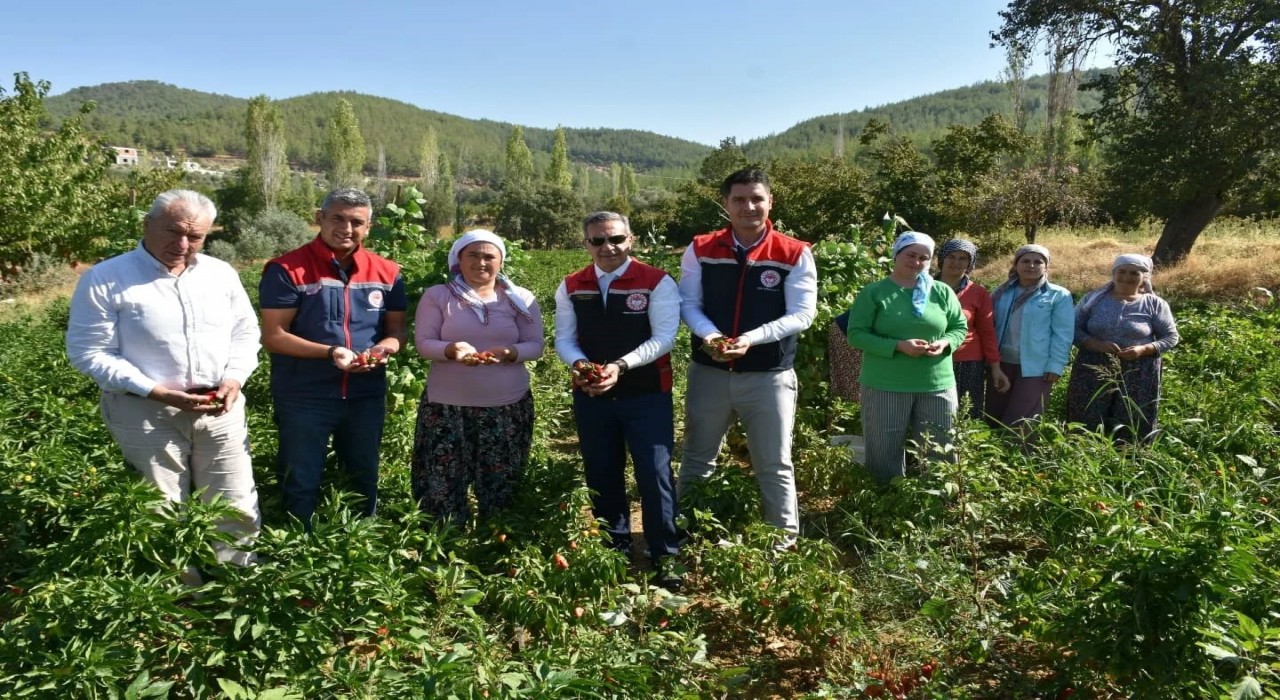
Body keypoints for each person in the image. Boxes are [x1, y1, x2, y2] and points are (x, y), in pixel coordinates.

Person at [66, 189, 261, 578]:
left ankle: (237, 586)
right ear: (146, 225)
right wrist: (155, 391)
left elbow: (245, 333)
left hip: (219, 409)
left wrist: (234, 378)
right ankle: (179, 599)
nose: (183, 244)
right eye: (173, 231)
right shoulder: (107, 279)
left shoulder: (220, 274)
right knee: (162, 506)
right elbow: (89, 352)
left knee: (236, 500)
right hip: (146, 411)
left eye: (196, 237)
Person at [677, 168, 817, 545]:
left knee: (774, 463)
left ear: (770, 201)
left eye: (757, 198)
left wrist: (750, 339)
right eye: (739, 199)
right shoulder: (701, 248)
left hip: (768, 375)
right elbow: (688, 303)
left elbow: (803, 313)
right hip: (710, 371)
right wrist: (712, 336)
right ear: (726, 204)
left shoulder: (793, 252)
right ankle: (686, 532)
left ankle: (782, 544)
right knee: (696, 456)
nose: (749, 206)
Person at [259, 188, 408, 525]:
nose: (347, 228)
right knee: (301, 477)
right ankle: (299, 551)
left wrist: (383, 349)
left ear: (369, 227)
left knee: (363, 474)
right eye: (337, 218)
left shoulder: (387, 273)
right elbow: (274, 336)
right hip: (305, 394)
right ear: (320, 219)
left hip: (365, 394)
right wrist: (330, 352)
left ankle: (359, 549)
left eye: (357, 222)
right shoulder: (288, 269)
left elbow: (397, 331)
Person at [554, 211, 682, 588]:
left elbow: (664, 338)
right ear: (586, 244)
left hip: (646, 394)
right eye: (598, 241)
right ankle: (616, 549)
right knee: (602, 470)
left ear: (632, 240)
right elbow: (564, 337)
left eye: (616, 239)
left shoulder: (656, 282)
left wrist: (619, 366)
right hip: (593, 394)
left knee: (654, 473)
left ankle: (666, 556)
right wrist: (580, 364)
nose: (607, 247)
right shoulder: (572, 285)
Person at [412, 230, 544, 523]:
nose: (481, 262)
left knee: (501, 480)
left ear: (500, 261)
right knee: (443, 480)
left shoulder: (520, 299)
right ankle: (446, 545)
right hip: (446, 408)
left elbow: (535, 346)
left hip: (507, 407)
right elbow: (424, 343)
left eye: (489, 256)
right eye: (473, 254)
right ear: (459, 258)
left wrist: (509, 352)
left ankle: (496, 542)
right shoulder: (438, 296)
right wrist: (452, 350)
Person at [846, 232, 969, 483]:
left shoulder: (942, 292)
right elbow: (856, 335)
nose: (917, 262)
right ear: (896, 254)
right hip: (885, 383)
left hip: (936, 383)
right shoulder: (875, 293)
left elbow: (959, 327)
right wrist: (898, 346)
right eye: (911, 255)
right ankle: (885, 502)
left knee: (941, 445)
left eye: (924, 257)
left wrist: (946, 342)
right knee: (884, 448)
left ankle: (937, 503)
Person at [1067, 254, 1180, 442]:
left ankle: (1130, 457)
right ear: (1114, 273)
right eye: (1122, 271)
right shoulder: (1093, 299)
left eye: (1134, 273)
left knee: (1132, 414)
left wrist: (1143, 350)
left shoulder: (1154, 304)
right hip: (1092, 365)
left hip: (1139, 369)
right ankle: (1083, 452)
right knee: (1087, 410)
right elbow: (1072, 328)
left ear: (1145, 277)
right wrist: (1094, 344)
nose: (1126, 277)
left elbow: (1171, 337)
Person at [986, 244, 1074, 430]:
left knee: (1022, 420)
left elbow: (1063, 334)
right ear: (1016, 264)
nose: (1031, 266)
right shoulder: (1002, 292)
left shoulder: (1057, 295)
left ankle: (1019, 456)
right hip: (1001, 364)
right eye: (1025, 261)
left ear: (1046, 266)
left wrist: (1056, 365)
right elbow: (989, 326)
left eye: (1038, 262)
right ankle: (991, 456)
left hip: (1036, 367)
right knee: (994, 414)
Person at [936, 239, 1010, 419]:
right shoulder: (922, 287)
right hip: (930, 358)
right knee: (934, 410)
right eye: (951, 256)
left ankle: (964, 447)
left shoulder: (978, 292)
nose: (956, 262)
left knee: (966, 412)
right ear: (942, 259)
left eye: (963, 258)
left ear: (970, 264)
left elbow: (987, 332)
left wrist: (995, 367)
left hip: (967, 361)